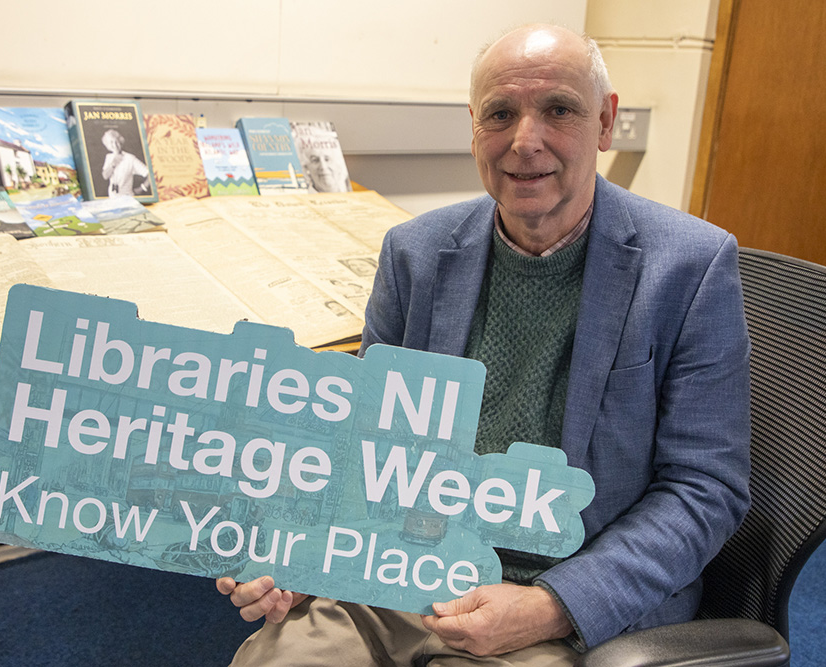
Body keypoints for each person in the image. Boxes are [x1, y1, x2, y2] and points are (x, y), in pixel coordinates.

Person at [218, 23, 751, 665]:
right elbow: (360, 448)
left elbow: (703, 490)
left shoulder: (690, 268)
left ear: (605, 123)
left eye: (559, 109)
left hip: (562, 606)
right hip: (396, 573)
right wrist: (304, 543)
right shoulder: (415, 253)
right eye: (501, 114)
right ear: (474, 127)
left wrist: (555, 603)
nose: (526, 141)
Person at [100, 128, 151, 197]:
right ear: (107, 145)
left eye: (116, 141)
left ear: (121, 142)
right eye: (111, 142)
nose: (114, 145)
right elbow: (105, 176)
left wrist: (142, 188)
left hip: (127, 199)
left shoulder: (130, 158)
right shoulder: (109, 157)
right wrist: (113, 163)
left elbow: (151, 175)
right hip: (112, 198)